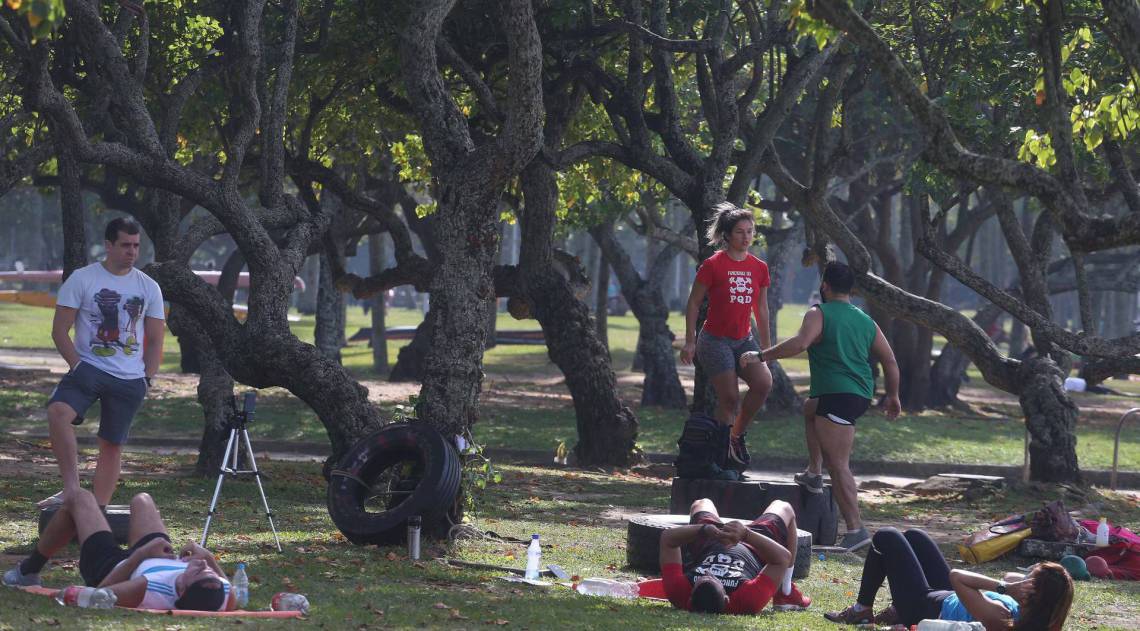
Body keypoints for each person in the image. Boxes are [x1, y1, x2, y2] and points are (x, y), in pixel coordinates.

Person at [740, 261, 900, 550]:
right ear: (851, 289)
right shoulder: (865, 320)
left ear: (825, 285)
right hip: (857, 394)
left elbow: (801, 343)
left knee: (839, 466)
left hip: (838, 394)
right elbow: (889, 359)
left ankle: (856, 530)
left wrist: (761, 356)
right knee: (809, 409)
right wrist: (893, 395)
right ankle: (814, 472)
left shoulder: (819, 313)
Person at [41, 217, 165, 509]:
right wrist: (77, 366)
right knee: (58, 412)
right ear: (108, 245)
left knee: (111, 445)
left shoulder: (149, 287)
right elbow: (60, 331)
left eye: (136, 246)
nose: (132, 252)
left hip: (130, 379)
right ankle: (71, 489)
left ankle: (97, 511)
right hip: (88, 369)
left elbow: (157, 339)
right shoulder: (83, 279)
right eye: (125, 245)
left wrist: (147, 377)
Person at [3, 489, 233, 612]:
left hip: (114, 567)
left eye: (198, 571)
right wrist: (210, 559)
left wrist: (141, 555)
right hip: (154, 555)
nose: (204, 566)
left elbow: (99, 592)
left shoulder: (147, 588)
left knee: (79, 498)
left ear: (181, 589)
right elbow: (232, 593)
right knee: (142, 500)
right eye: (209, 571)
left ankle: (28, 571)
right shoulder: (221, 593)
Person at [824, 527, 1073, 630]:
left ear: (1033, 594)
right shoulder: (1032, 612)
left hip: (926, 607)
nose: (1024, 576)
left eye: (1031, 577)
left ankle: (862, 609)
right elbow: (1011, 574)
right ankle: (895, 608)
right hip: (951, 599)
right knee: (915, 536)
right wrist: (1024, 585)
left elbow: (958, 577)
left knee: (886, 537)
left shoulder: (1001, 616)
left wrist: (1006, 588)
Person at [680, 202, 773, 470]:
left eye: (750, 231)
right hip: (714, 340)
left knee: (764, 383)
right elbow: (693, 303)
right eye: (740, 232)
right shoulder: (713, 265)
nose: (746, 237)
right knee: (730, 399)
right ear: (727, 235)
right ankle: (720, 456)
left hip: (744, 339)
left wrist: (766, 349)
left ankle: (735, 436)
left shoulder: (759, 268)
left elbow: (762, 309)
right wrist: (689, 340)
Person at [654, 498, 810, 615]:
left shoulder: (679, 593)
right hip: (754, 548)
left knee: (701, 503)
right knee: (784, 507)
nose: (709, 573)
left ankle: (709, 527)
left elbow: (667, 539)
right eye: (714, 578)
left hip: (712, 540)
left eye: (702, 576)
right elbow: (783, 558)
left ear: (690, 598)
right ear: (727, 598)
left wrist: (703, 529)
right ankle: (786, 592)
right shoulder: (747, 600)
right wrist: (746, 535)